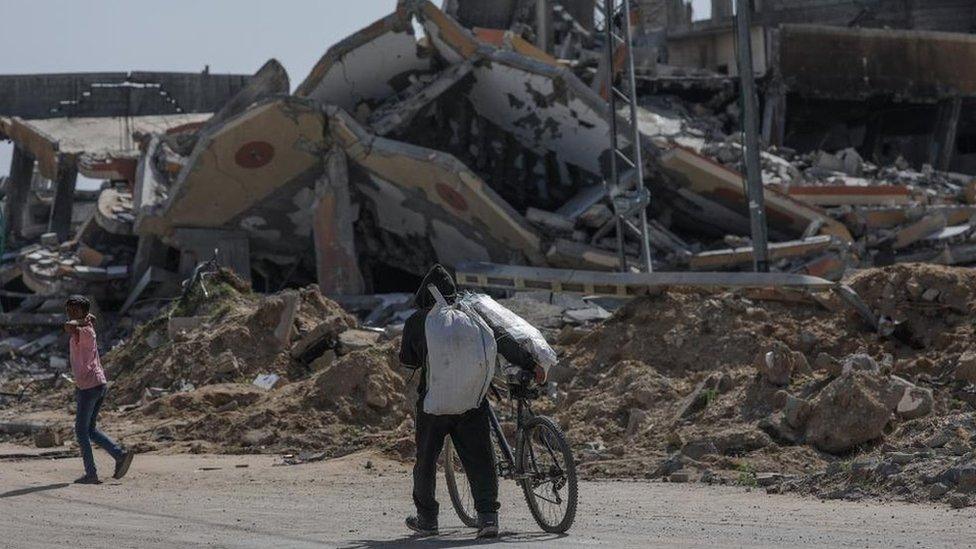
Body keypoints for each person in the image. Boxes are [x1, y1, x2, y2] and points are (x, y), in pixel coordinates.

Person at [399, 265, 501, 538]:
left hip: (434, 406)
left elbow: (407, 359)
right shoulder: (474, 315)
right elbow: (501, 341)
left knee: (426, 461)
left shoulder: (418, 320)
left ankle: (427, 519)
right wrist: (529, 363)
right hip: (472, 402)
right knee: (480, 459)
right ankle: (488, 517)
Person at [64, 295, 134, 484]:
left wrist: (82, 318)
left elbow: (68, 326)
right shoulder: (86, 325)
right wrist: (84, 316)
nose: (70, 314)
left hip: (90, 386)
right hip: (94, 383)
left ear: (83, 313)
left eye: (75, 310)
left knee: (81, 431)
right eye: (69, 310)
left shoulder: (85, 330)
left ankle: (91, 473)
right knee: (90, 430)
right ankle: (119, 455)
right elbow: (77, 322)